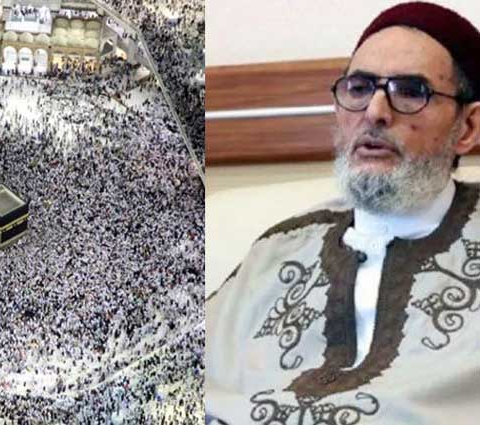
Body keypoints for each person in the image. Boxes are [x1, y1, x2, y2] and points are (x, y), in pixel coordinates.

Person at [206, 2, 480, 424]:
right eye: (359, 88)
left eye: (410, 91)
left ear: (467, 127)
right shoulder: (279, 251)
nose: (375, 112)